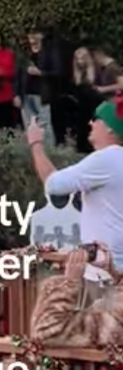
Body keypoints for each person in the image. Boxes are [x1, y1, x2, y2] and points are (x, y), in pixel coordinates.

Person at [29, 101, 123, 261]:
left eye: (96, 118)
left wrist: (35, 143)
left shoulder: (106, 159)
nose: (90, 123)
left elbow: (54, 185)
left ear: (109, 127)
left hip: (107, 270)